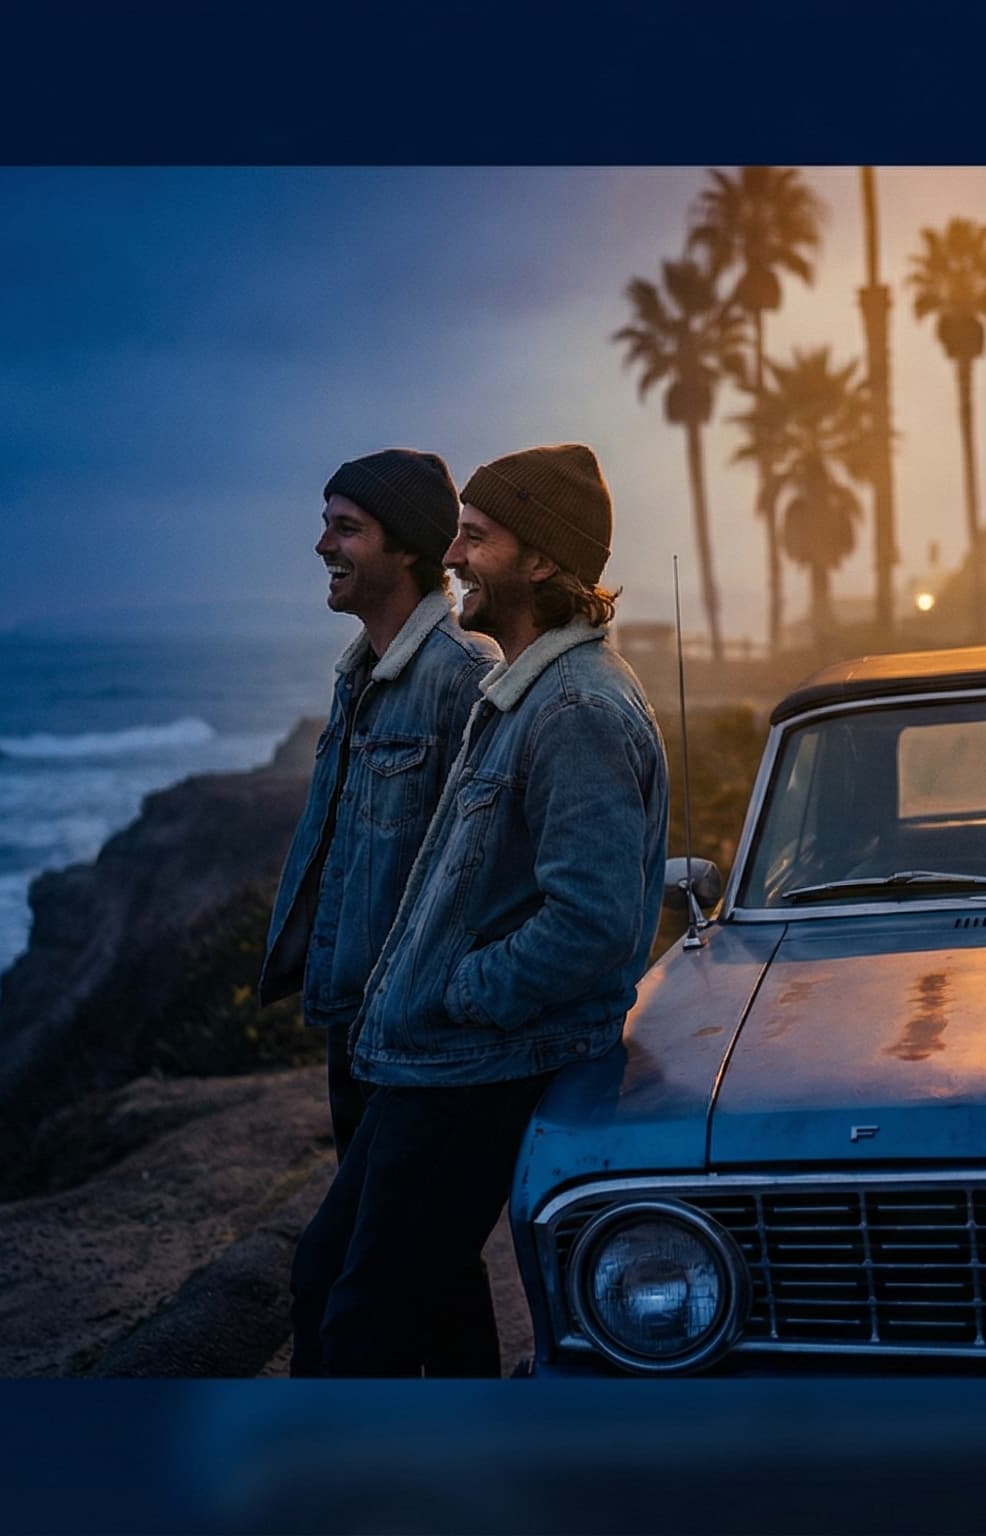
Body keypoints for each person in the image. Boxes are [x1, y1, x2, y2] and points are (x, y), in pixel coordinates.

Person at [297, 442, 669, 1378]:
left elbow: (592, 922)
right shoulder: (526, 690)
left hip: (477, 1057)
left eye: (476, 538)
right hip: (438, 1054)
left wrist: (458, 991)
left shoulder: (576, 707)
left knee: (361, 1316)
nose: (452, 557)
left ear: (541, 560)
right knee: (353, 1283)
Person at [263, 449, 501, 1377]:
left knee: (340, 1278)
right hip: (358, 1028)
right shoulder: (360, 667)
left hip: (423, 1042)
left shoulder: (462, 674)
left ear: (408, 548)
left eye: (345, 526)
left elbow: (483, 867)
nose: (322, 543)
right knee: (433, 1276)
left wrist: (443, 1001)